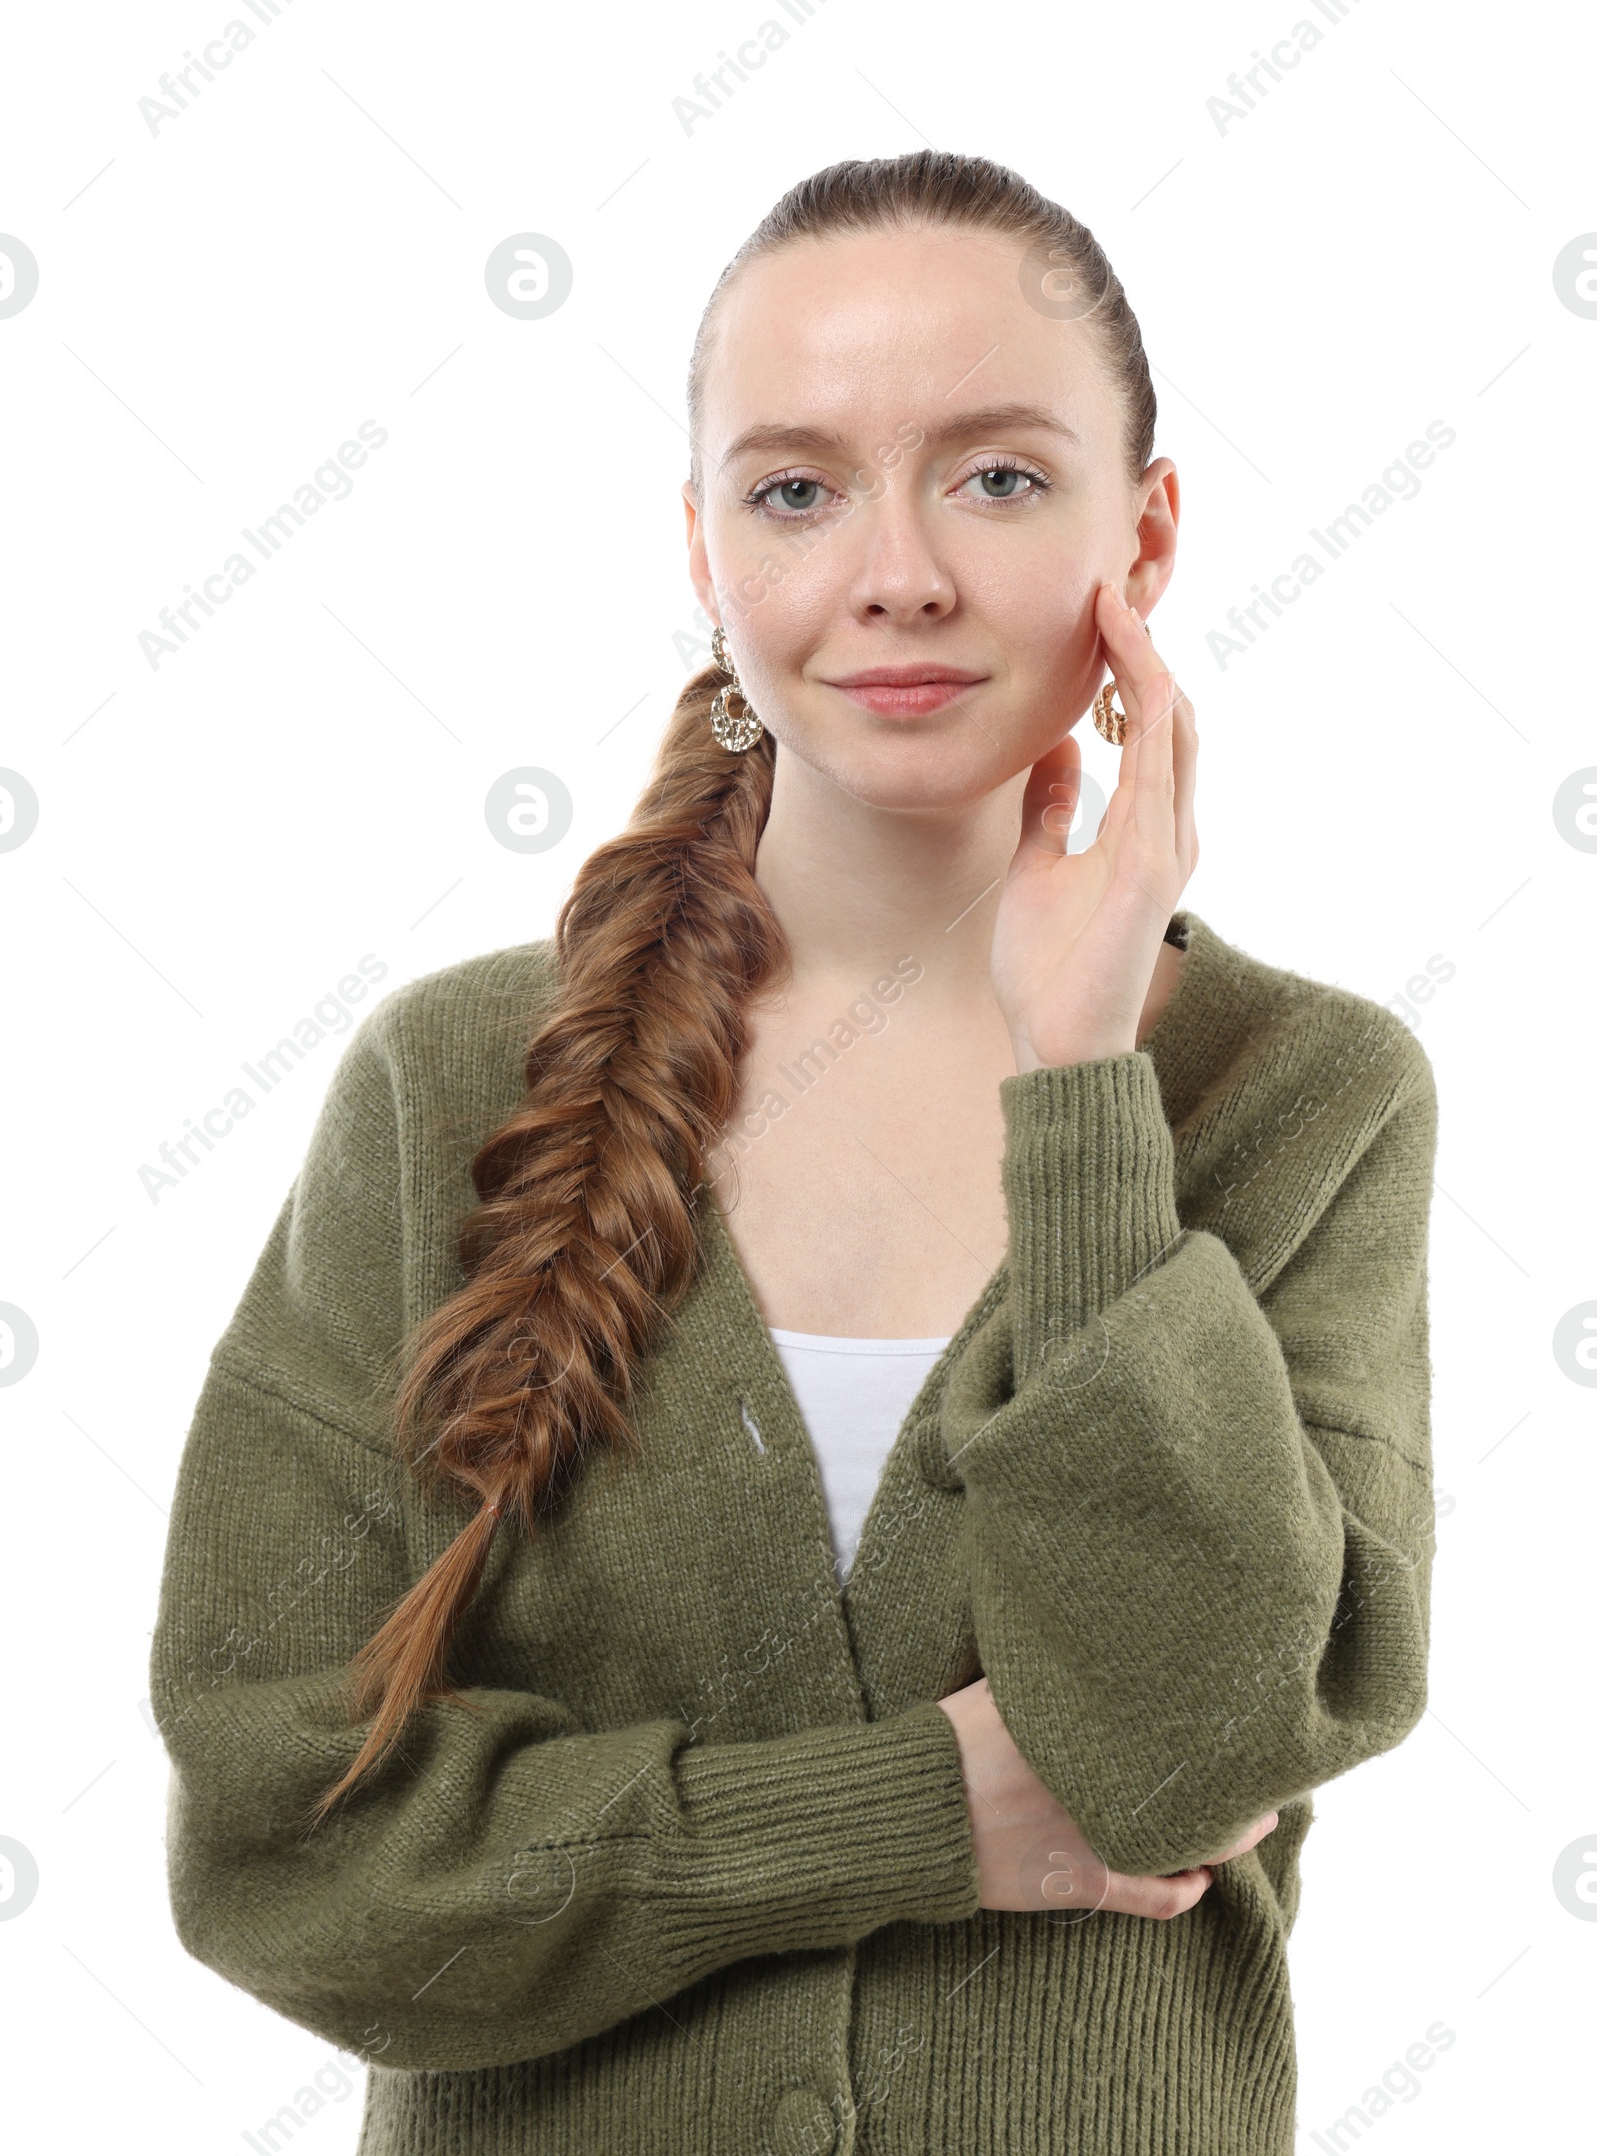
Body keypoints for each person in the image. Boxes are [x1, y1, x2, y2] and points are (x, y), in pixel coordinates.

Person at [150, 151, 1440, 2156]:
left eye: (996, 477)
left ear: (1148, 532)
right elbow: (279, 1847)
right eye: (794, 488)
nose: (896, 569)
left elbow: (1186, 1745)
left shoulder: (1301, 1098)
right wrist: (914, 1811)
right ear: (703, 549)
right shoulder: (451, 1084)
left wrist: (1081, 1089)